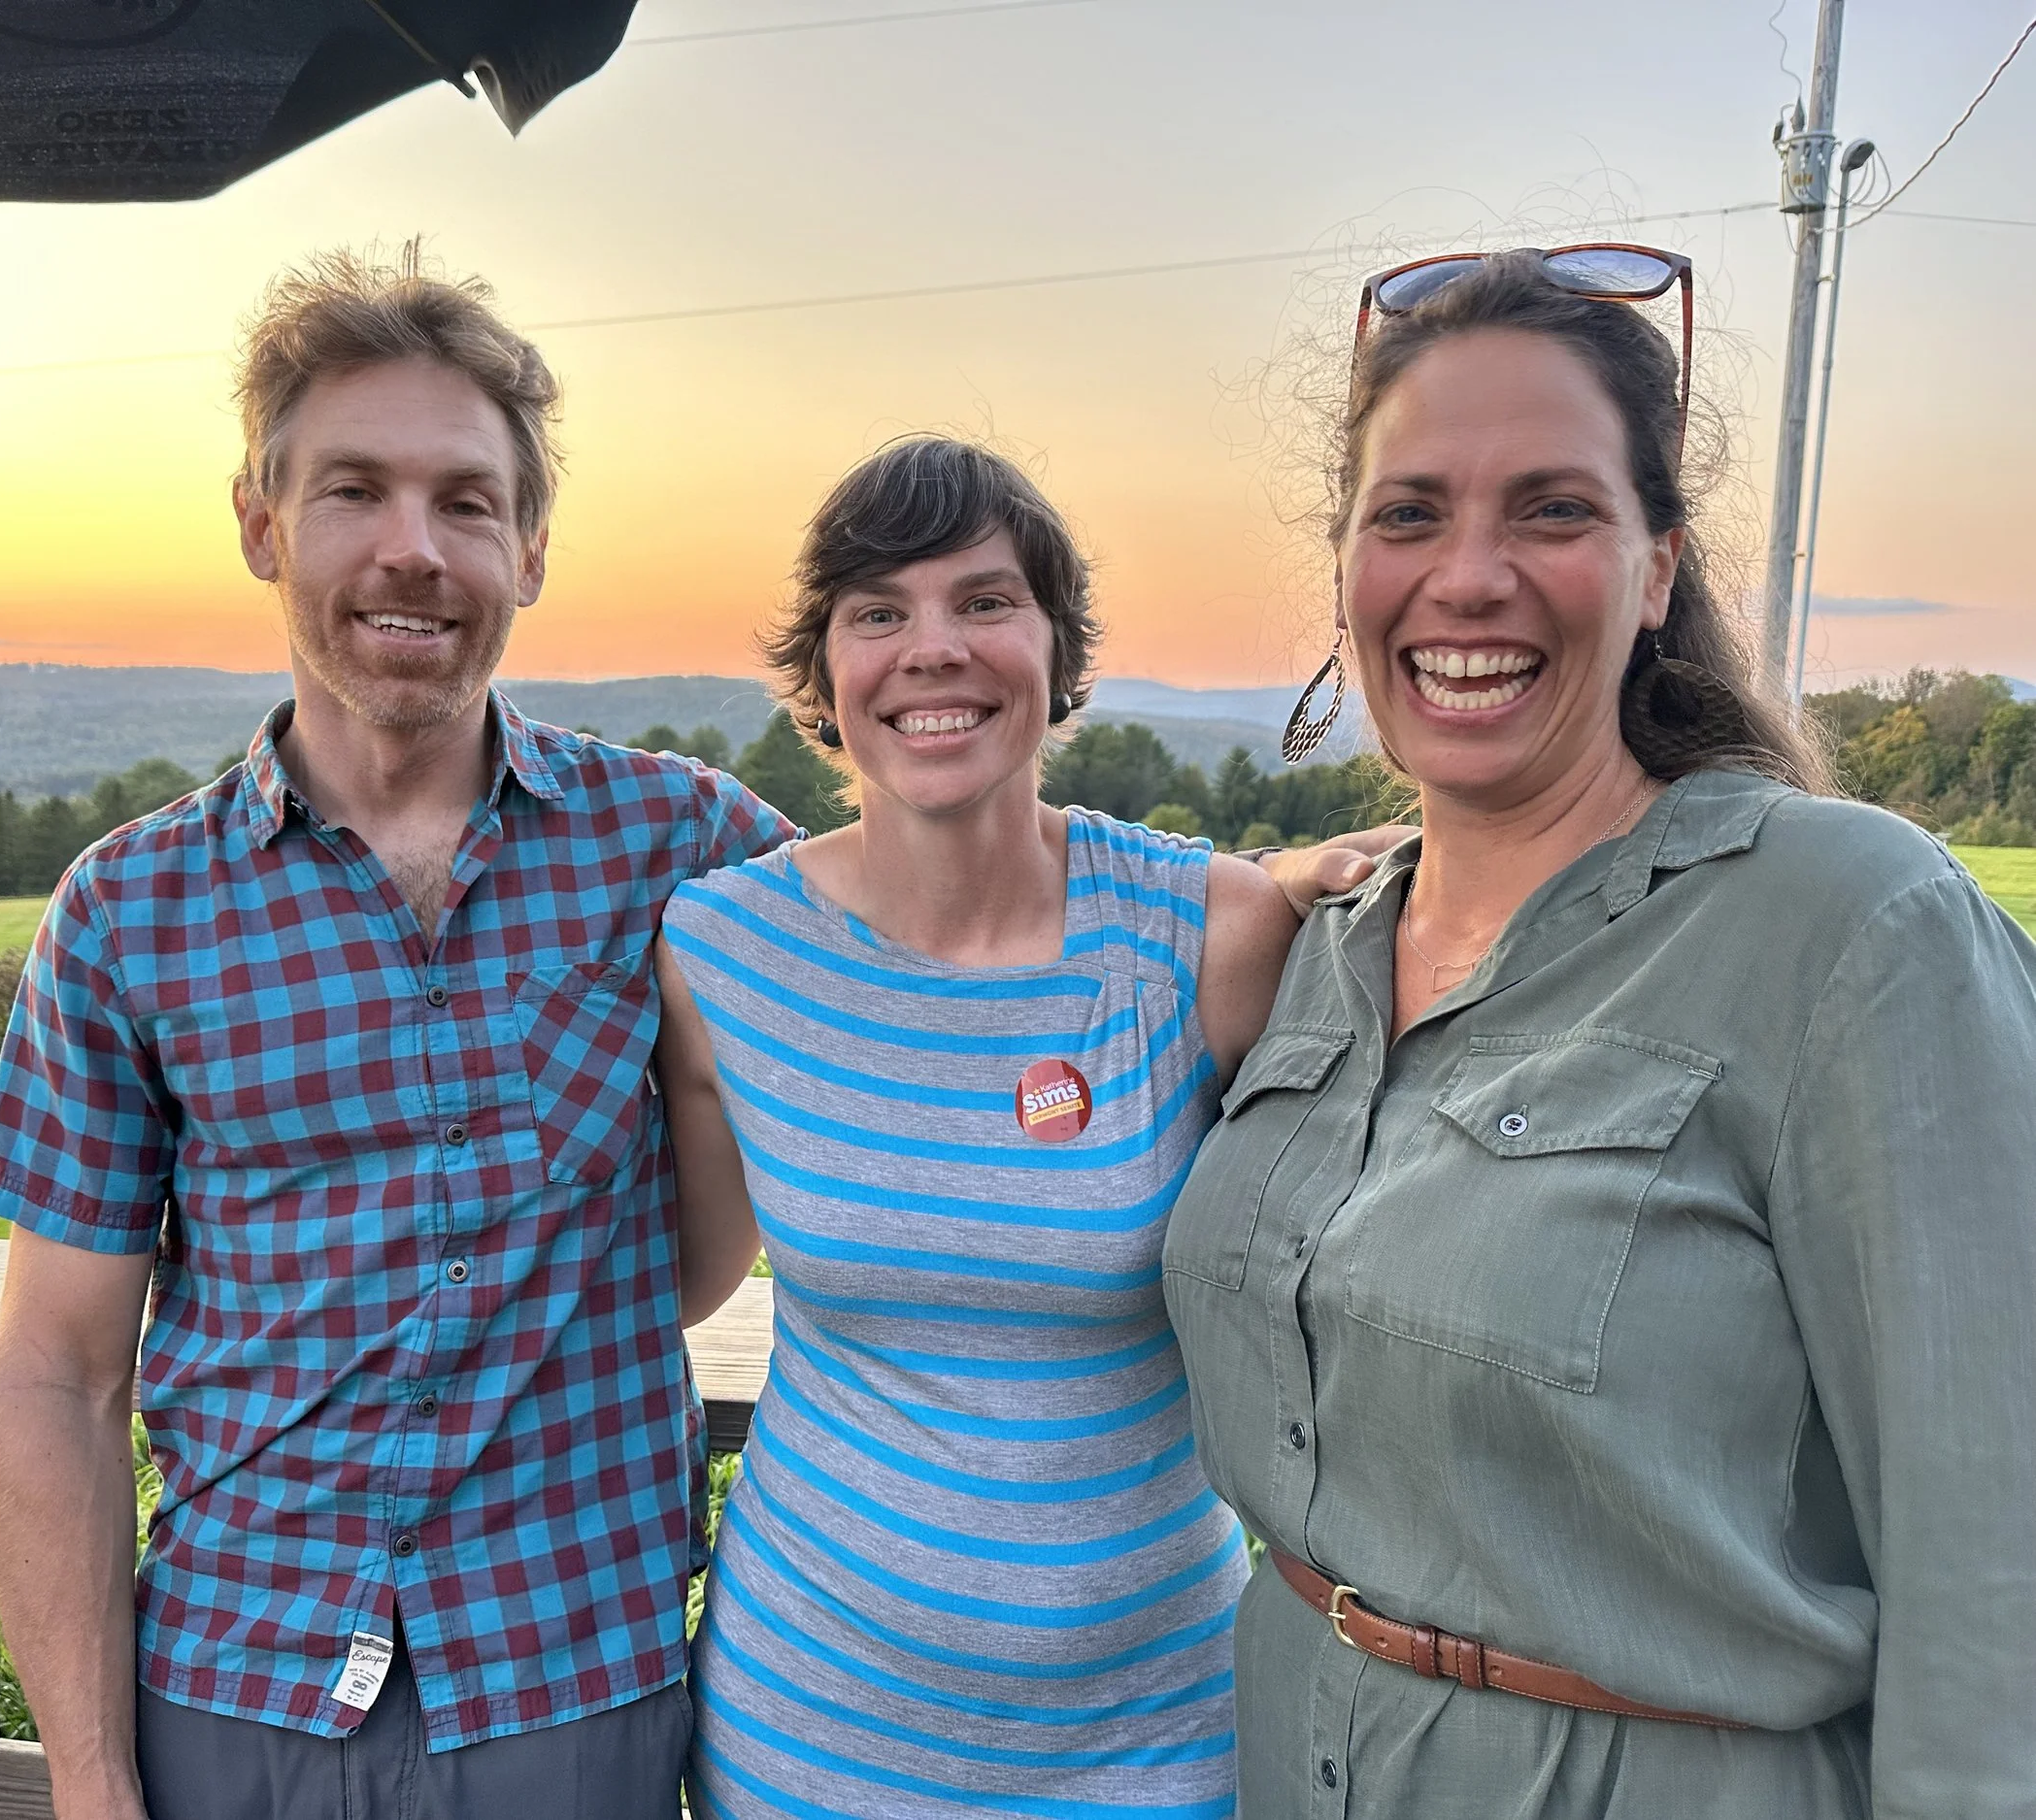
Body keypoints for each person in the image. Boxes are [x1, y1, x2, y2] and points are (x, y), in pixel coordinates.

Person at [1161, 248, 2036, 1817]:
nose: (1469, 575)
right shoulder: (1321, 954)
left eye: (1553, 510)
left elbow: (2002, 1575)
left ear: (1655, 569)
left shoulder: (1853, 926)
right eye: (1410, 512)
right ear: (1348, 572)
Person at [0, 246, 798, 1820]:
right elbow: (54, 1370)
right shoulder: (128, 912)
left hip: (573, 1680)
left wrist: (1240, 892)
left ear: (533, 547)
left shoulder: (691, 849)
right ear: (261, 523)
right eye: (354, 489)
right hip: (235, 1689)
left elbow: (960, 908)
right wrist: (88, 1780)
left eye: (467, 502)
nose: (412, 549)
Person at [653, 436, 1397, 1819]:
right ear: (826, 675)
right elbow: (691, 1275)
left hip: (1156, 1743)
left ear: (1060, 656)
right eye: (879, 611)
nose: (932, 646)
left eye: (986, 601)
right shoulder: (720, 954)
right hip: (806, 1732)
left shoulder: (1211, 935)